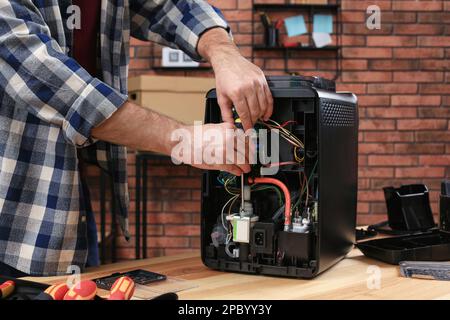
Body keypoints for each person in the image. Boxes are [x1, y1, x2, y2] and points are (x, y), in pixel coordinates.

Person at [0, 0, 273, 277]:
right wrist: (184, 140)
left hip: (67, 196)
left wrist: (225, 53)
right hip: (12, 208)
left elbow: (172, 6)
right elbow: (52, 84)